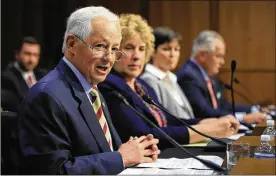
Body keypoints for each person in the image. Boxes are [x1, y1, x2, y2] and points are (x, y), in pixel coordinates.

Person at [12, 6, 160, 175]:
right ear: (72, 44)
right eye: (100, 46)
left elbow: (102, 151)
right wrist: (120, 158)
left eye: (114, 49)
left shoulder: (92, 89)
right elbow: (55, 171)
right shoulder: (47, 96)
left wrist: (137, 150)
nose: (109, 58)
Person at [98, 14, 239, 150]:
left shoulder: (141, 85)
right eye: (129, 48)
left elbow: (169, 121)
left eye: (141, 49)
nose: (136, 56)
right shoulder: (109, 84)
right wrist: (206, 130)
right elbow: (143, 134)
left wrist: (207, 122)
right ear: (114, 51)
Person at [177, 30, 266, 124]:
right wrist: (243, 118)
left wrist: (253, 109)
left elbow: (223, 105)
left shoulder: (207, 75)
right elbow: (204, 112)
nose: (222, 62)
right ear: (202, 55)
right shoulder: (188, 76)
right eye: (218, 56)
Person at [1, 36, 47, 112]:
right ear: (17, 54)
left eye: (35, 55)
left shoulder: (43, 75)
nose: (31, 59)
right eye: (27, 54)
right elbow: (19, 106)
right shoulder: (7, 77)